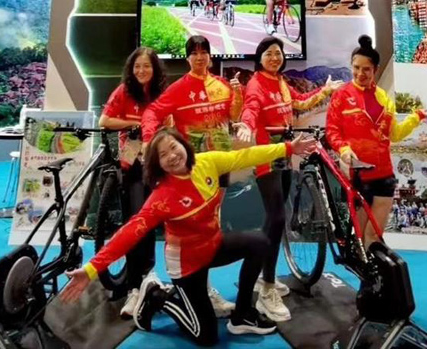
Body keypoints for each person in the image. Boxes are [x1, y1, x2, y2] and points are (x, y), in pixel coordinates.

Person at [62, 128, 319, 345]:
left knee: (260, 242)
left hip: (213, 246)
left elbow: (244, 156)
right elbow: (130, 232)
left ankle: (242, 315)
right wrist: (92, 269)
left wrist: (287, 148)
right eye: (163, 155)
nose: (172, 156)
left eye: (173, 148)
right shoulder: (161, 198)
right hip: (187, 266)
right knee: (206, 337)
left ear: (183, 145)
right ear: (157, 164)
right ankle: (157, 297)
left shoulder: (207, 162)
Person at [236, 36, 339, 322]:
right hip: (266, 158)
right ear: (259, 58)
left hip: (284, 154)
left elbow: (300, 102)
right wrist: (246, 124)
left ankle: (264, 277)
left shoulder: (280, 82)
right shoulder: (256, 83)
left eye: (278, 53)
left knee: (275, 220)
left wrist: (325, 90)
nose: (275, 57)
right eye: (269, 53)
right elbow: (251, 107)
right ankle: (267, 289)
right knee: (277, 219)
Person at [140, 35, 243, 315]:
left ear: (210, 56)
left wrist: (238, 95)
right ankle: (199, 292)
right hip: (192, 171)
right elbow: (151, 112)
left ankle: (203, 290)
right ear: (187, 58)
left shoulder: (222, 85)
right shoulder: (178, 89)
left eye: (203, 52)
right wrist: (149, 139)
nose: (199, 57)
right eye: (194, 53)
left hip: (219, 166)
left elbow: (234, 116)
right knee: (197, 233)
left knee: (213, 227)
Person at [325, 35, 427, 248]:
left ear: (375, 69)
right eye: (356, 67)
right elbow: (332, 131)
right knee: (359, 240)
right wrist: (344, 149)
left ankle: (372, 269)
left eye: (366, 69)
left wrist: (418, 116)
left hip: (384, 173)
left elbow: (394, 134)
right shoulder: (341, 95)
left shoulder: (384, 97)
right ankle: (360, 267)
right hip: (358, 174)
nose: (360, 73)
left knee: (374, 237)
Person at [98, 47, 166, 318]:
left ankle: (148, 277)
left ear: (155, 69)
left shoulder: (161, 92)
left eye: (146, 66)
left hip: (157, 162)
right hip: (131, 160)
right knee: (137, 220)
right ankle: (134, 287)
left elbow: (170, 122)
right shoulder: (124, 91)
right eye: (137, 66)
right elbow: (104, 121)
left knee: (151, 222)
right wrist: (134, 123)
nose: (141, 71)